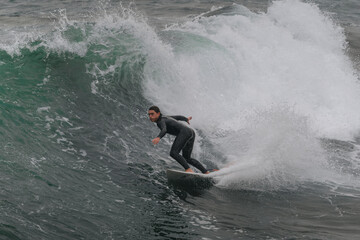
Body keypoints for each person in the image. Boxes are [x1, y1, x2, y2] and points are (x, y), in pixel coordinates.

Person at [148, 106, 210, 174]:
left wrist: (158, 137)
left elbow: (164, 129)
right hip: (191, 132)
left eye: (152, 114)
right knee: (187, 158)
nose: (150, 116)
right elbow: (178, 117)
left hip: (185, 133)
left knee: (173, 153)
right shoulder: (166, 117)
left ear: (158, 113)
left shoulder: (160, 121)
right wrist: (186, 119)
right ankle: (205, 172)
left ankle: (188, 169)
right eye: (149, 114)